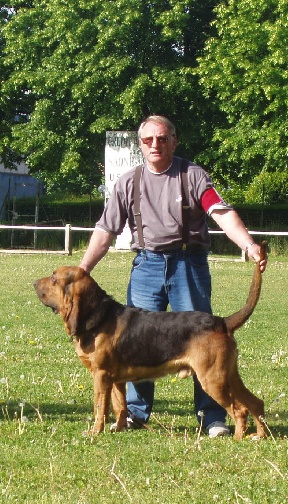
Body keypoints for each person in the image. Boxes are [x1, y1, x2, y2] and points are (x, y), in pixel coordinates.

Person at [79, 115, 267, 437]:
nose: (155, 144)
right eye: (148, 139)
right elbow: (105, 230)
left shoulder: (192, 175)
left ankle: (213, 418)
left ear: (174, 141)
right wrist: (83, 271)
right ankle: (135, 415)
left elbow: (220, 212)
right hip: (147, 266)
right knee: (133, 342)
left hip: (187, 265)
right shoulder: (127, 182)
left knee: (201, 341)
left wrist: (248, 244)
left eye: (162, 138)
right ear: (140, 144)